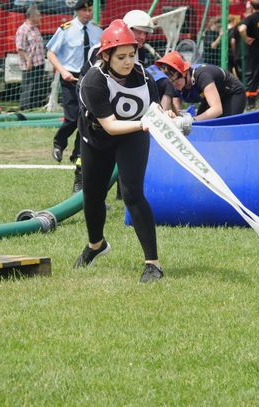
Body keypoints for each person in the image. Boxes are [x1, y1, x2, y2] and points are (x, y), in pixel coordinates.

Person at [75, 20, 171, 283]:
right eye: (121, 57)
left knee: (132, 193)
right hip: (98, 137)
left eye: (132, 54)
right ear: (105, 56)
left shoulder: (144, 76)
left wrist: (166, 115)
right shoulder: (93, 82)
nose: (128, 62)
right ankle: (96, 245)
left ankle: (153, 264)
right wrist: (143, 123)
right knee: (93, 195)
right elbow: (110, 126)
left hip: (133, 136)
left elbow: (153, 109)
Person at [47, 0, 102, 164]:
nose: (88, 14)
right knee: (72, 118)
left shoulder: (98, 31)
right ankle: (59, 143)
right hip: (70, 77)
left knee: (87, 118)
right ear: (77, 11)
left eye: (90, 10)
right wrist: (63, 71)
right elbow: (50, 53)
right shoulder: (66, 29)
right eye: (84, 10)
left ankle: (78, 153)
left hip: (89, 77)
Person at [157, 51, 246, 120]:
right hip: (209, 97)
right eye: (170, 83)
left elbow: (217, 109)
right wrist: (174, 117)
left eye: (175, 82)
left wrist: (192, 120)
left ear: (184, 73)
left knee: (225, 126)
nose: (174, 86)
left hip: (232, 93)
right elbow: (177, 112)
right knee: (200, 124)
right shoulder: (175, 82)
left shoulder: (203, 76)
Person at [15, 5, 46, 110]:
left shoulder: (35, 29)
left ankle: (34, 107)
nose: (40, 17)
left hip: (39, 63)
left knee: (37, 86)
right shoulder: (23, 30)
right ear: (32, 16)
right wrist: (28, 61)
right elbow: (20, 48)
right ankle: (25, 108)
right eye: (39, 15)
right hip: (30, 64)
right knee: (28, 86)